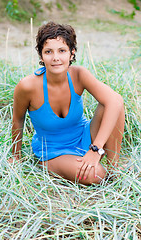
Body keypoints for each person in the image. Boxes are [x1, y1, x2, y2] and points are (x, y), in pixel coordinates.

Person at [10, 21, 125, 185]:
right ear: (41, 55)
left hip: (84, 136)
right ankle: (90, 168)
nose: (55, 57)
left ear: (72, 54)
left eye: (62, 51)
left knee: (114, 103)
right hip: (54, 151)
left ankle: (115, 170)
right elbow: (18, 119)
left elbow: (116, 101)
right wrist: (16, 156)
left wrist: (96, 149)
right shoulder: (27, 86)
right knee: (96, 175)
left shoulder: (79, 75)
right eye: (48, 51)